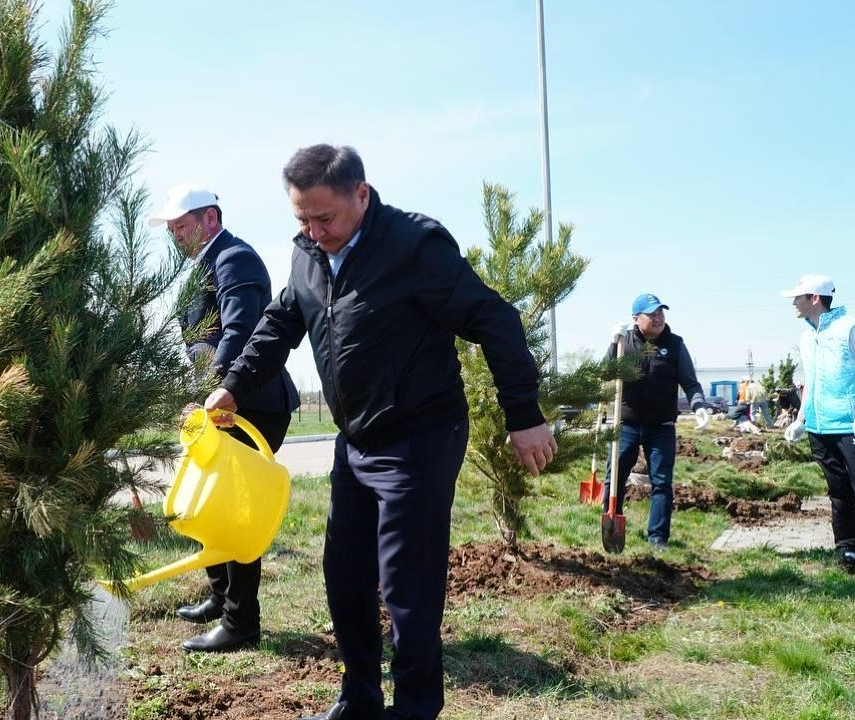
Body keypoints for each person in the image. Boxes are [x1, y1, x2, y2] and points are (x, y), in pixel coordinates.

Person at [202, 145, 556, 720]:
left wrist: (524, 414)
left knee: (406, 589)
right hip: (357, 440)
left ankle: (415, 710)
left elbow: (493, 318)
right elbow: (280, 322)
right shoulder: (308, 257)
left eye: (325, 218)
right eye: (302, 219)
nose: (314, 232)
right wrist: (235, 385)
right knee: (344, 577)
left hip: (420, 435)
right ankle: (360, 700)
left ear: (360, 195)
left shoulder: (413, 246)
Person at [148, 183, 300, 652]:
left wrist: (217, 390)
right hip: (214, 404)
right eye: (171, 230)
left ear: (210, 218)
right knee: (209, 505)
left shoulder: (234, 259)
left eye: (182, 226)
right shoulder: (204, 265)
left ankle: (241, 624)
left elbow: (239, 333)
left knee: (235, 511)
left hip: (249, 405)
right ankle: (219, 598)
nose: (175, 236)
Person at [604, 294, 707, 551]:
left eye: (661, 313)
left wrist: (699, 406)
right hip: (625, 425)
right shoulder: (623, 344)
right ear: (636, 319)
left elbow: (690, 382)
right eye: (652, 314)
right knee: (614, 476)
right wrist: (611, 342)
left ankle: (657, 538)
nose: (658, 318)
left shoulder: (675, 345)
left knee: (661, 482)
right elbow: (604, 373)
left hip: (661, 427)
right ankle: (610, 524)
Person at [780, 274, 855, 573]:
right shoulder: (807, 336)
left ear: (814, 299)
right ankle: (847, 549)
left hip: (849, 426)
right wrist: (801, 419)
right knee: (838, 491)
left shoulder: (848, 328)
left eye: (797, 298)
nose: (793, 304)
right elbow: (809, 381)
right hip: (820, 428)